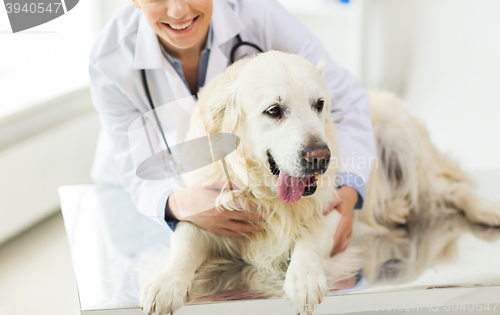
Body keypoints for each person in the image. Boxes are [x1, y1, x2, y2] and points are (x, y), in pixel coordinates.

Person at [89, 0, 376, 256]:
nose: (178, 10)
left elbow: (344, 100)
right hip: (140, 194)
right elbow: (134, 168)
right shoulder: (109, 59)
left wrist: (348, 189)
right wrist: (177, 205)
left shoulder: (259, 14)